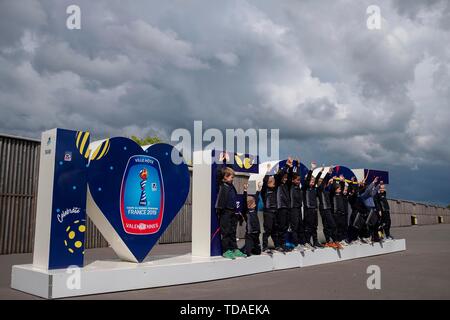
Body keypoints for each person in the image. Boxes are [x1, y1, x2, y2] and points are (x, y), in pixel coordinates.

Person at [215, 167, 247, 259]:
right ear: (224, 177)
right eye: (230, 177)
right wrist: (224, 160)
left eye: (233, 177)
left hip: (233, 211)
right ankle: (226, 251)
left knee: (233, 231)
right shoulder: (221, 184)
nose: (232, 178)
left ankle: (234, 249)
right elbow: (219, 173)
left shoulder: (231, 186)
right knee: (226, 232)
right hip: (225, 211)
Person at [261, 162, 290, 252]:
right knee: (268, 230)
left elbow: (278, 177)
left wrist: (287, 166)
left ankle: (277, 246)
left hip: (275, 212)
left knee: (275, 230)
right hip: (268, 212)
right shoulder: (264, 190)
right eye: (271, 181)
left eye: (273, 181)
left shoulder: (276, 188)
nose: (273, 182)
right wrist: (268, 171)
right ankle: (265, 247)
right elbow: (265, 181)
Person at [317, 167, 341, 249]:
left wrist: (333, 180)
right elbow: (324, 182)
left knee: (330, 226)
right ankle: (330, 241)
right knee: (329, 225)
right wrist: (328, 173)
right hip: (323, 209)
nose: (323, 184)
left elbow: (334, 189)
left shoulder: (326, 190)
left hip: (328, 209)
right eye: (320, 183)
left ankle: (332, 241)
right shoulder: (319, 190)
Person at [302, 162, 322, 248]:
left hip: (314, 210)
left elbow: (317, 180)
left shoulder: (314, 189)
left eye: (314, 182)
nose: (312, 183)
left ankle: (315, 241)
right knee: (308, 227)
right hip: (308, 210)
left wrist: (321, 173)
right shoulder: (305, 188)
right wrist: (311, 170)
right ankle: (306, 242)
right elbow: (307, 181)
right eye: (311, 181)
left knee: (314, 227)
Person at [241, 182, 262, 256]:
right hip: (250, 233)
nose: (255, 204)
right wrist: (245, 190)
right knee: (247, 253)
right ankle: (245, 249)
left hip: (256, 232)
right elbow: (244, 201)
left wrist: (259, 189)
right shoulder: (246, 211)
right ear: (249, 205)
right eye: (254, 203)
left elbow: (256, 198)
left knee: (258, 252)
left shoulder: (254, 210)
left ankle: (252, 247)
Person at [290, 159, 307, 250]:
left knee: (301, 226)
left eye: (299, 180)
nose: (299, 181)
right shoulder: (291, 186)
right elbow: (292, 175)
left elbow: (298, 175)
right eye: (297, 180)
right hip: (293, 209)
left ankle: (302, 243)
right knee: (295, 227)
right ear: (292, 180)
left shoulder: (298, 186)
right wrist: (293, 166)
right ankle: (296, 244)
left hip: (299, 208)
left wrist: (299, 165)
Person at [332, 175, 349, 245]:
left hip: (341, 213)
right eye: (339, 189)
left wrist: (342, 181)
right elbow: (333, 187)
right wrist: (334, 180)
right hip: (336, 213)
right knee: (337, 228)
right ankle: (337, 240)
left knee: (342, 227)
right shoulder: (333, 194)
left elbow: (343, 187)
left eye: (340, 189)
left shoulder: (341, 195)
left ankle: (342, 239)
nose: (340, 190)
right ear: (335, 189)